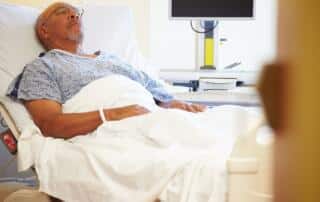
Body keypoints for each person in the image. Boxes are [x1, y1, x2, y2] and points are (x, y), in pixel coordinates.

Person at [6, 2, 206, 139]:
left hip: (152, 118)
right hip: (115, 132)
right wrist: (113, 114)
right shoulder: (42, 68)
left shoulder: (112, 59)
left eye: (76, 12)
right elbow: (51, 124)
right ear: (44, 30)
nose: (74, 14)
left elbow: (157, 95)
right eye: (62, 12)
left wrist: (177, 105)